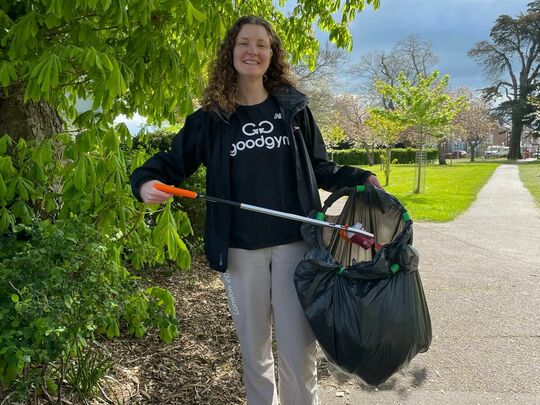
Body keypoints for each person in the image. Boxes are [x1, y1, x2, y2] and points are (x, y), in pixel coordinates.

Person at [131, 15, 382, 405]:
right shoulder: (210, 120)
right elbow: (172, 161)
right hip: (239, 250)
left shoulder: (294, 111)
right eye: (244, 43)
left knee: (299, 352)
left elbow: (322, 167)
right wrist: (145, 181)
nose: (253, 51)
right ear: (231, 53)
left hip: (295, 247)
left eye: (262, 44)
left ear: (272, 54)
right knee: (255, 352)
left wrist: (360, 179)